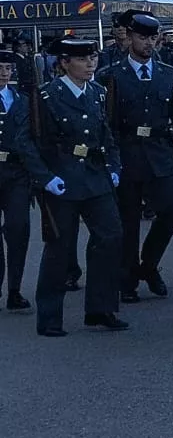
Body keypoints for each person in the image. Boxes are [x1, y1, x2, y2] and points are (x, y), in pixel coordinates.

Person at [98, 11, 173, 304]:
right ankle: (127, 277)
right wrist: (110, 162)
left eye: (153, 38)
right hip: (127, 152)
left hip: (160, 151)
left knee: (171, 211)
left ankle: (149, 265)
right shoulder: (111, 75)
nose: (148, 43)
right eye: (142, 37)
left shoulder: (169, 74)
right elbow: (108, 124)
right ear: (130, 37)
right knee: (127, 220)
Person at [31, 37, 126, 337]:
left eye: (93, 58)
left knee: (110, 237)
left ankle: (101, 308)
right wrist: (45, 177)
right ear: (64, 63)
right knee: (59, 247)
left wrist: (113, 166)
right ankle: (49, 317)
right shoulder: (46, 96)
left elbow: (106, 134)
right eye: (83, 60)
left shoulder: (97, 93)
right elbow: (29, 141)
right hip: (62, 177)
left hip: (95, 176)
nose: (90, 64)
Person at [0, 49, 44, 312]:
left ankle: (14, 290)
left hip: (16, 174)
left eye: (7, 68)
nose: (4, 73)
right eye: (0, 68)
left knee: (18, 230)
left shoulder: (22, 100)